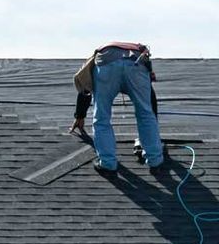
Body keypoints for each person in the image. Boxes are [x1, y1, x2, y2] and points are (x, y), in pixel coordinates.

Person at [69, 42, 162, 173]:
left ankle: (107, 163)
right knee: (146, 114)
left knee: (101, 117)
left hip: (106, 65)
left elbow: (85, 85)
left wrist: (80, 115)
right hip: (136, 64)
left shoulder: (100, 54)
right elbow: (150, 102)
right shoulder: (138, 55)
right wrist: (153, 131)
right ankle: (155, 161)